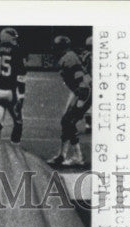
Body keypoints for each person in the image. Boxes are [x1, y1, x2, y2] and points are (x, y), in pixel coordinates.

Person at [47, 35, 92, 167]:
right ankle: (62, 155)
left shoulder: (69, 58)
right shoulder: (68, 57)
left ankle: (78, 157)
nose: (54, 50)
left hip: (83, 93)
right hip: (80, 92)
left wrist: (81, 99)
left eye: (56, 47)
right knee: (66, 121)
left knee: (69, 122)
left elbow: (80, 79)